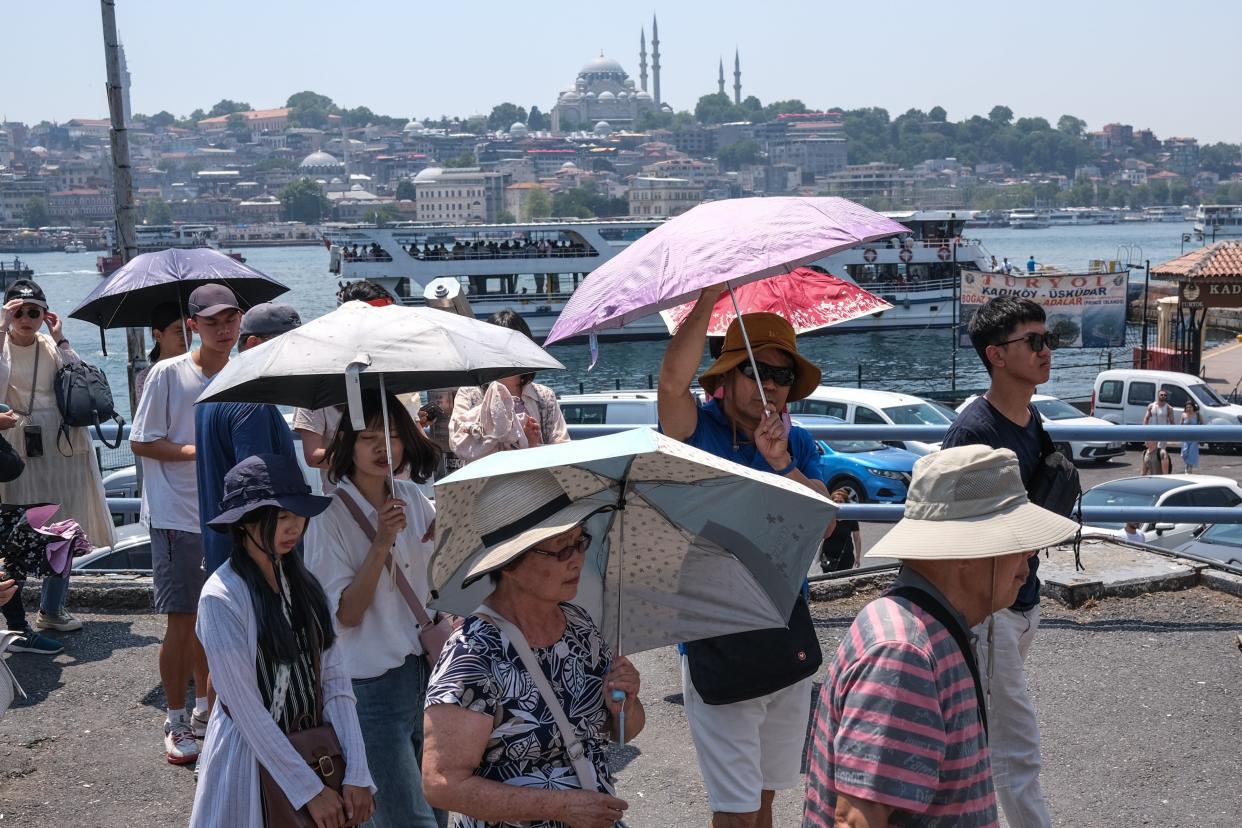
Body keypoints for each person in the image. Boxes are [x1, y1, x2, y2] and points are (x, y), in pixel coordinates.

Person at [804, 445, 1078, 828]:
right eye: (1016, 537)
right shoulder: (905, 654)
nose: (1030, 553)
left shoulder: (929, 631)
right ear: (965, 549)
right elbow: (855, 820)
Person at [658, 290, 828, 828]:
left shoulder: (792, 442)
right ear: (725, 377)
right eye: (757, 371)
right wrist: (710, 295)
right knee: (734, 807)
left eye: (782, 376)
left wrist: (780, 464)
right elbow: (669, 385)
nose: (771, 385)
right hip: (715, 630)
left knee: (767, 795)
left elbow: (823, 523)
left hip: (785, 628)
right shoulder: (696, 431)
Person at [423, 469, 644, 828]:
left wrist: (626, 706)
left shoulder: (579, 625)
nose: (577, 559)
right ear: (509, 564)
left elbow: (623, 732)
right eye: (561, 549)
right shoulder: (473, 655)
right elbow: (441, 783)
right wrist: (561, 807)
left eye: (580, 541)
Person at [190, 454, 375, 828]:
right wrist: (308, 791)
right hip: (250, 760)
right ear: (244, 524)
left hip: (316, 752)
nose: (294, 527)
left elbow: (336, 683)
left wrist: (357, 770)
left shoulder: (304, 585)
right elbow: (245, 710)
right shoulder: (222, 596)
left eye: (299, 515)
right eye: (282, 516)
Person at [942, 295, 1061, 828]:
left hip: (1022, 599)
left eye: (1047, 339)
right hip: (990, 612)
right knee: (1017, 750)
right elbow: (944, 534)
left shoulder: (1031, 419)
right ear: (995, 354)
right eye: (1032, 341)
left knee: (987, 737)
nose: (1045, 350)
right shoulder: (973, 433)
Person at [304, 391, 443, 828]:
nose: (385, 447)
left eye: (395, 436)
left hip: (428, 670)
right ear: (347, 444)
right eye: (369, 438)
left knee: (438, 805)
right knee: (407, 818)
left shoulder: (415, 499)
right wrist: (382, 540)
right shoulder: (328, 519)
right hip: (370, 685)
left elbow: (439, 585)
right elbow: (345, 615)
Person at [131, 283, 242, 765]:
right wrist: (201, 453)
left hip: (229, 515)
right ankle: (175, 719)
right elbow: (140, 440)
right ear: (193, 325)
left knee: (215, 620)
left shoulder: (244, 373)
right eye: (212, 321)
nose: (224, 329)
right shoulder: (168, 374)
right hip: (177, 516)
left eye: (231, 319)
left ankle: (204, 711)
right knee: (182, 621)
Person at [0, 278, 115, 653]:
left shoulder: (52, 345)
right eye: (19, 311)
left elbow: (81, 380)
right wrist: (1, 329)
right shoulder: (1, 345)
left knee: (64, 527)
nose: (27, 318)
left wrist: (61, 337)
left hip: (62, 449)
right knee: (15, 529)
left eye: (34, 312)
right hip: (17, 450)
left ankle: (52, 607)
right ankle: (15, 613)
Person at [196, 303, 303, 576]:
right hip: (258, 561)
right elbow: (259, 496)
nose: (297, 357)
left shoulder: (215, 389)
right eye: (289, 346)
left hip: (225, 554)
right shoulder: (252, 406)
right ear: (254, 344)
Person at [449, 310, 569, 463]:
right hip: (487, 484)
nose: (506, 354)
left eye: (513, 347)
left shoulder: (544, 396)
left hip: (534, 482)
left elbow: (562, 447)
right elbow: (459, 444)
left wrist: (533, 444)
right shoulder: (469, 394)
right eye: (497, 347)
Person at [135, 302, 191, 405]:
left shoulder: (198, 368)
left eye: (188, 330)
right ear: (158, 335)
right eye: (179, 331)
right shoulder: (147, 377)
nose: (186, 336)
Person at [818, 489, 861, 573]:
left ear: (846, 503)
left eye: (841, 501)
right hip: (827, 557)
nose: (838, 503)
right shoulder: (827, 517)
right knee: (827, 580)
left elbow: (857, 539)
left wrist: (858, 557)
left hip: (846, 558)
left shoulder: (851, 517)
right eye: (836, 501)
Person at [1180, 400, 1201, 473]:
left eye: (1190, 407)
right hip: (1185, 437)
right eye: (1187, 407)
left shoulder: (1197, 415)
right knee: (1184, 453)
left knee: (1192, 452)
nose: (1188, 408)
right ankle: (1187, 464)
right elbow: (1181, 426)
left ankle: (1189, 468)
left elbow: (1202, 425)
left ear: (1193, 407)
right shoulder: (1183, 415)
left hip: (1194, 437)